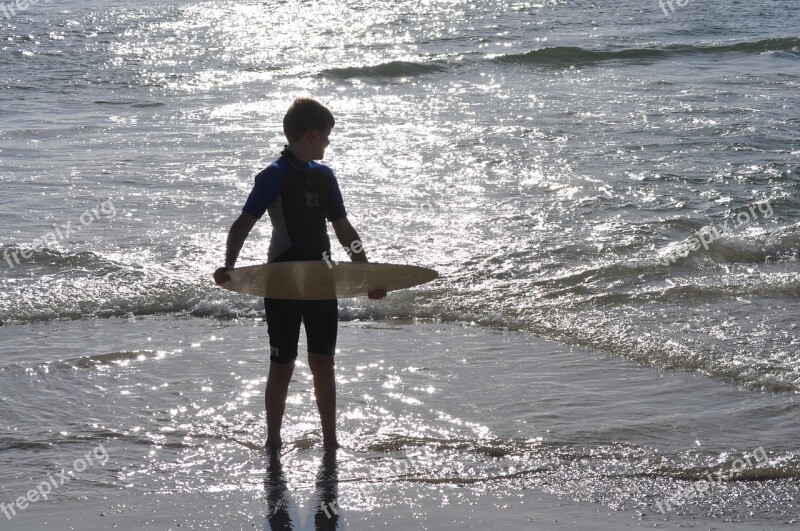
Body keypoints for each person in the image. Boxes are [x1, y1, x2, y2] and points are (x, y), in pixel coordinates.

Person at [214, 97, 385, 453]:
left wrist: (364, 271)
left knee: (323, 360)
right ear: (311, 135)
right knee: (282, 361)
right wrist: (229, 266)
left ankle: (331, 440)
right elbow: (242, 225)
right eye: (325, 137)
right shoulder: (272, 176)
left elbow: (343, 230)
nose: (327, 143)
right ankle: (273, 439)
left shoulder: (325, 177)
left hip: (322, 278)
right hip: (283, 280)